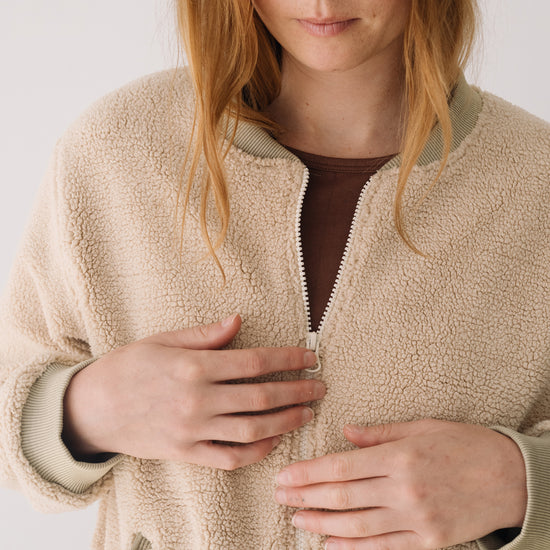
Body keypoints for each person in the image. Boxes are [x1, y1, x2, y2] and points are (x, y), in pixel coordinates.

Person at [1, 1, 549, 549]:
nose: (322, 3)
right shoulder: (120, 149)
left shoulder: (535, 181)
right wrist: (88, 411)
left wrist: (520, 484)